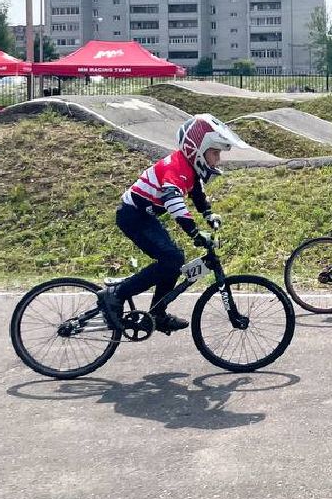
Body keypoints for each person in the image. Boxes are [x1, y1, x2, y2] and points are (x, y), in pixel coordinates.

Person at [95, 115, 242, 334]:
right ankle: (117, 294)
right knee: (172, 259)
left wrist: (208, 214)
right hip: (131, 215)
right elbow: (173, 202)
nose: (217, 160)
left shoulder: (188, 169)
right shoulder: (176, 167)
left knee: (174, 259)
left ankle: (157, 313)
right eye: (215, 153)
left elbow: (196, 192)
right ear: (197, 150)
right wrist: (195, 233)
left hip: (143, 216)